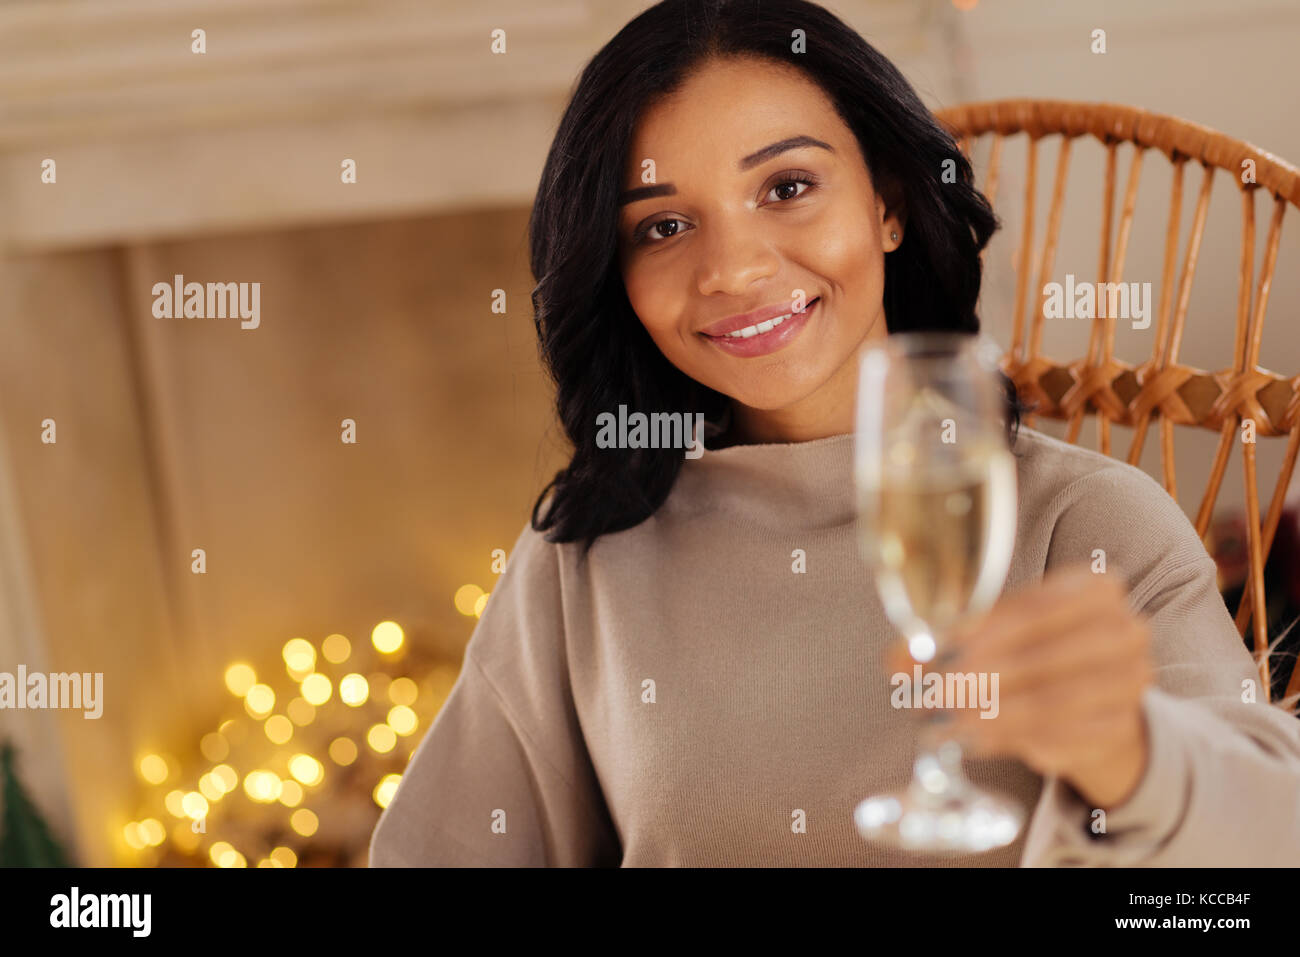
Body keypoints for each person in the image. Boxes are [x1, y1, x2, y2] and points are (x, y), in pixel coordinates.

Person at [370, 0, 1300, 866]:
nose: (731, 268)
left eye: (788, 185)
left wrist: (1138, 758)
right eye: (663, 225)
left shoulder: (1087, 523)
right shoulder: (584, 554)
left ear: (888, 205)